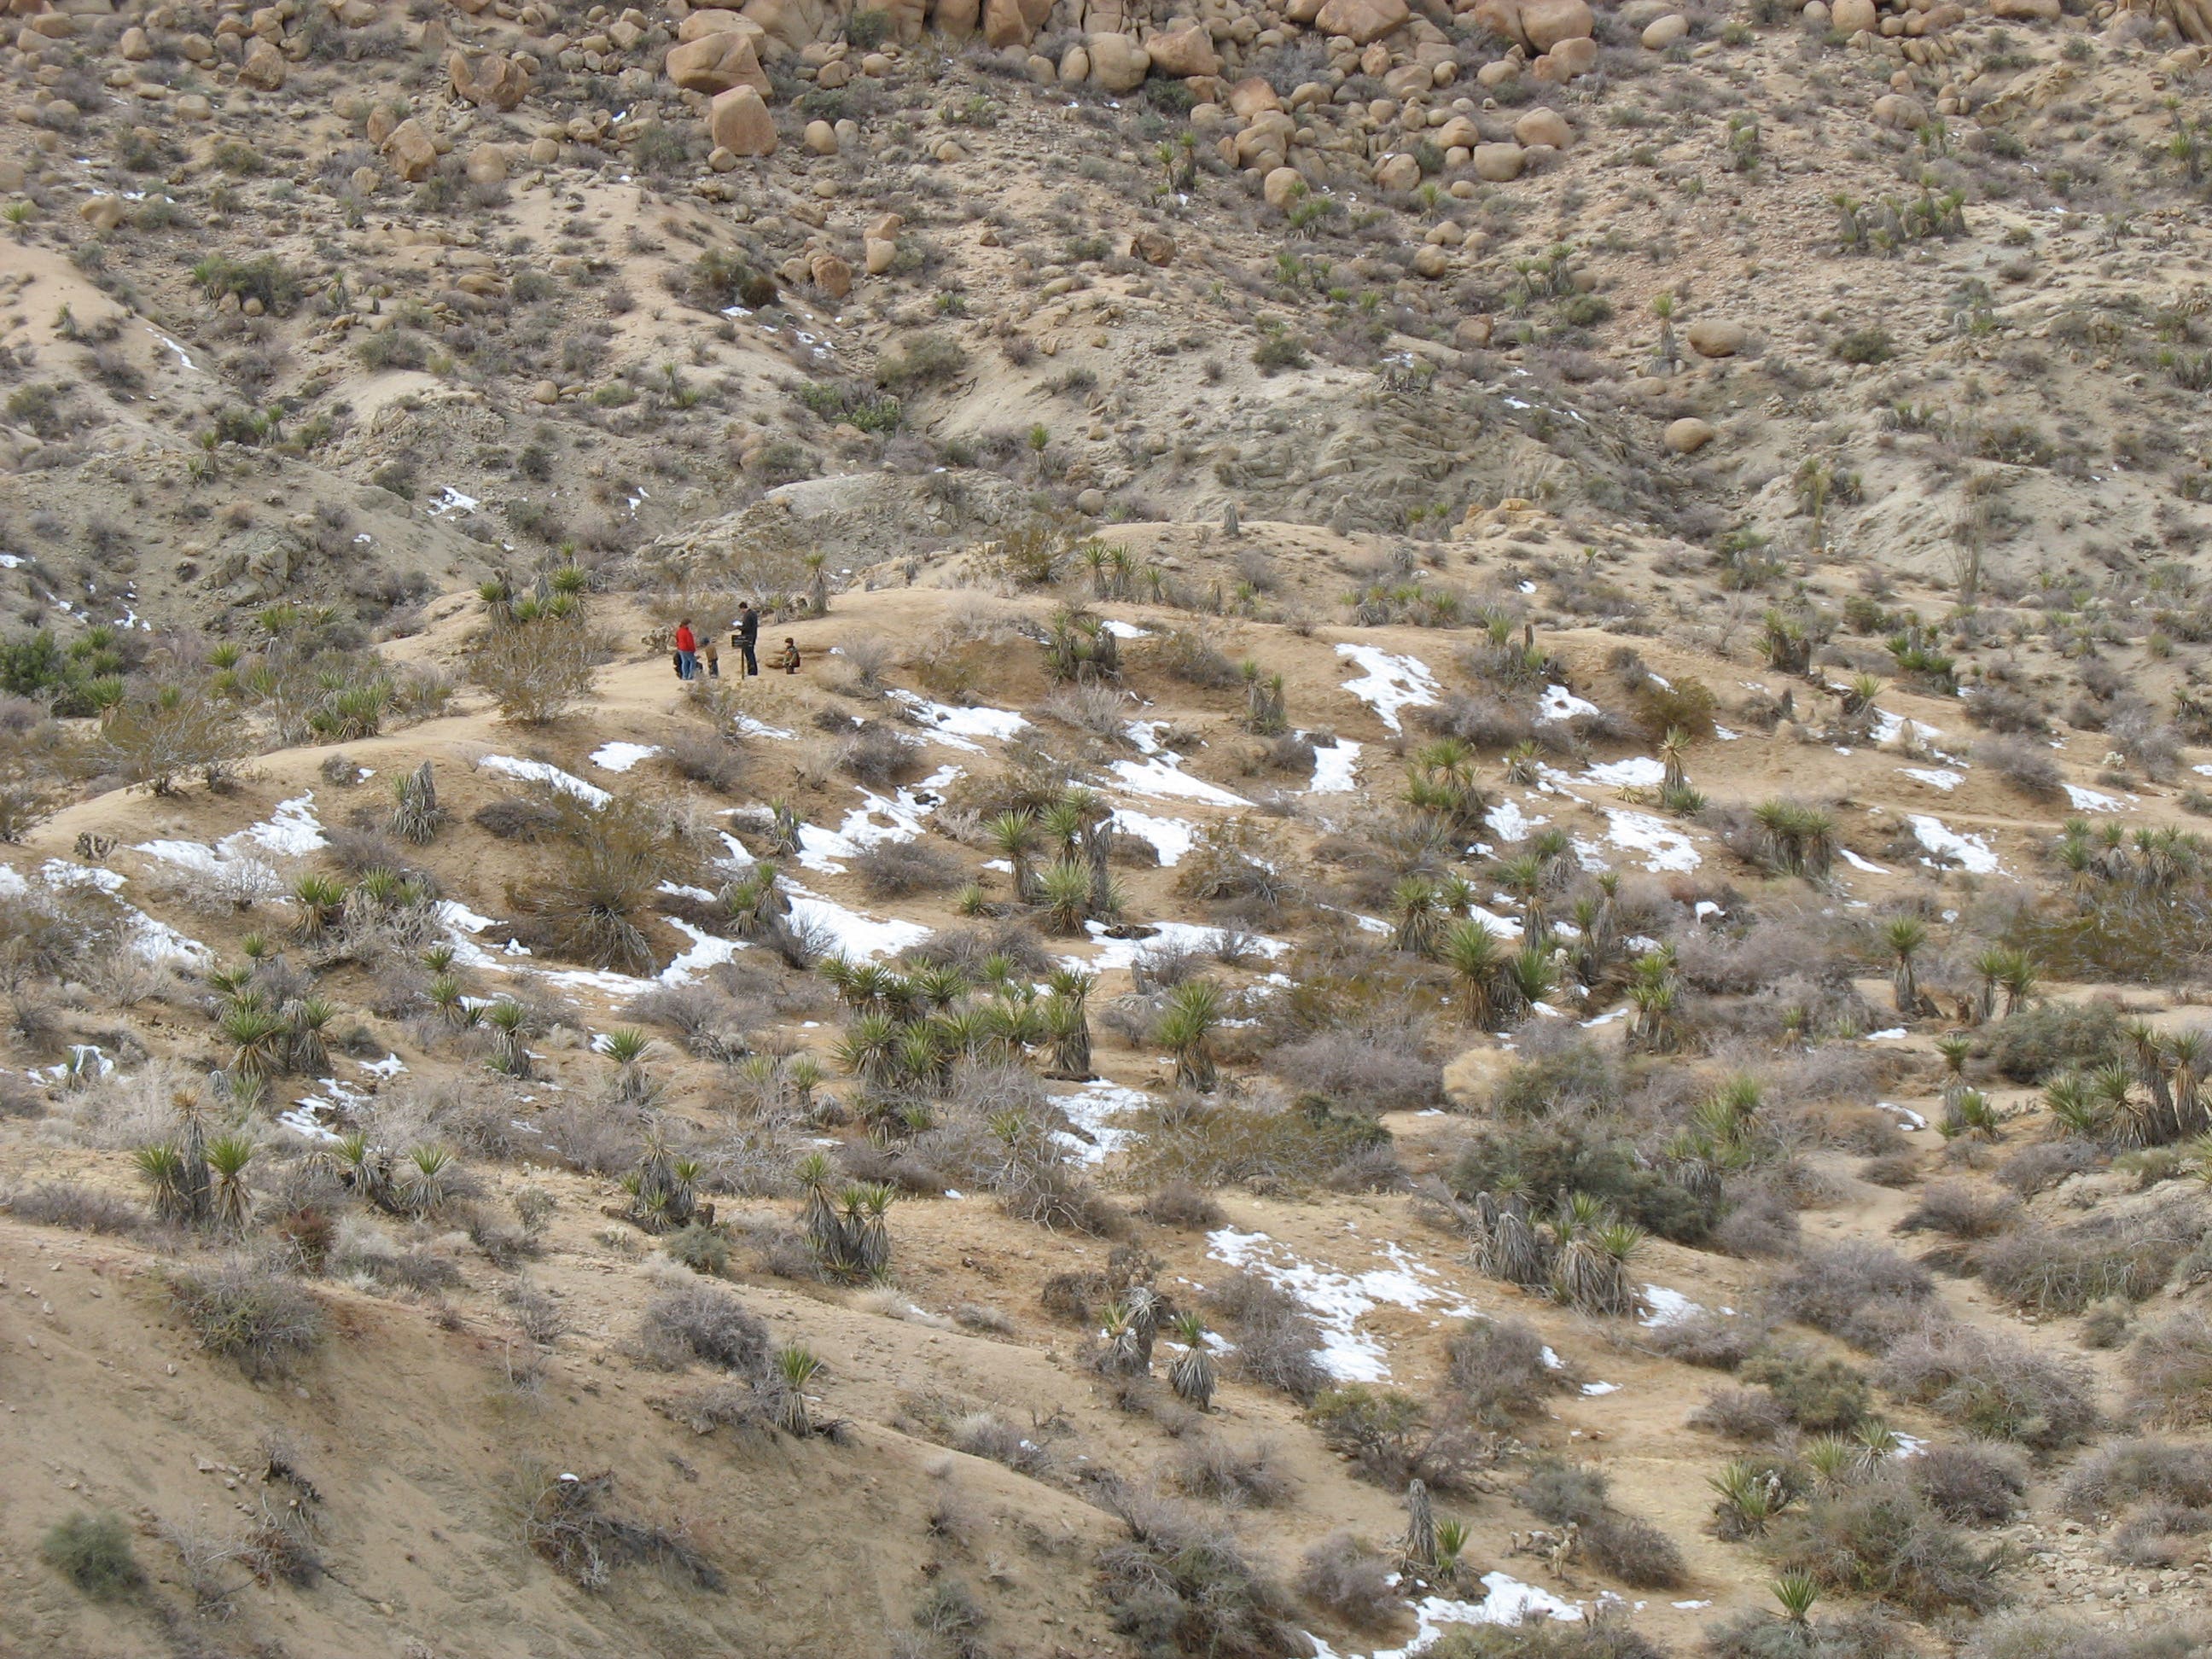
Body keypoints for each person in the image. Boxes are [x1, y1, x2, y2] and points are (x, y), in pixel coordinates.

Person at [732, 602, 760, 678]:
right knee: (751, 653)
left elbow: (746, 628)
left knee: (749, 655)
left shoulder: (747, 615)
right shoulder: (754, 613)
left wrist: (738, 627)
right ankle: (754, 671)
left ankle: (752, 671)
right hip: (753, 636)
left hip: (747, 638)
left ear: (742, 608)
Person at [673, 618, 698, 682]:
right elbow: (690, 642)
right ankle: (691, 675)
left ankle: (685, 676)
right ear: (686, 624)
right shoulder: (687, 633)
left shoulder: (679, 631)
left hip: (681, 649)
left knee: (685, 662)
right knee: (693, 661)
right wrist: (693, 649)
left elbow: (677, 639)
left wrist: (678, 646)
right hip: (687, 649)